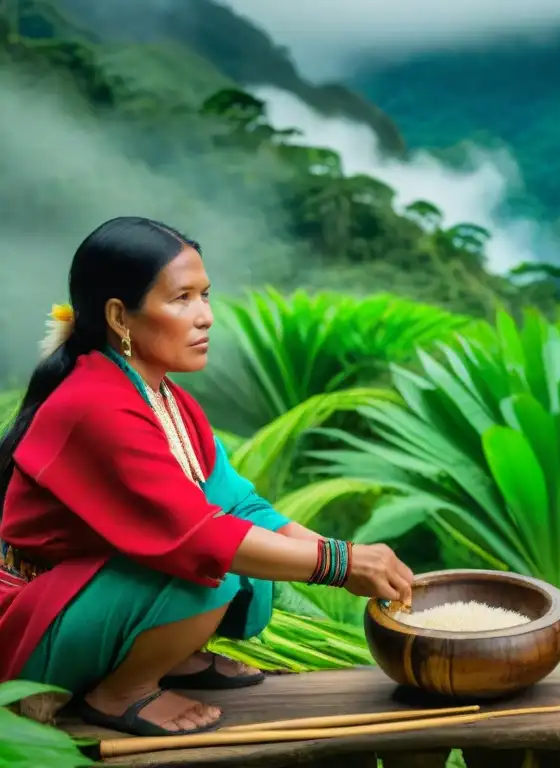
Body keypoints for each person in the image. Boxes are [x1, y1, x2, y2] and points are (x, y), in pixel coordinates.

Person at [0, 216, 415, 738]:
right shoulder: (94, 405)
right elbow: (197, 536)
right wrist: (339, 565)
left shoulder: (167, 400)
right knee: (210, 569)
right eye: (182, 299)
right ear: (119, 317)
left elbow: (241, 506)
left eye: (205, 295)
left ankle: (171, 656)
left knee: (247, 560)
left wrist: (349, 554)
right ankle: (121, 691)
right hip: (33, 621)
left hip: (90, 592)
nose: (206, 317)